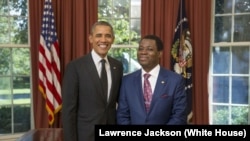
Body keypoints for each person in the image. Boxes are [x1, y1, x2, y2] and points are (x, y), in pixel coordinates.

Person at [62, 21, 123, 141]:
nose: (103, 40)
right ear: (91, 38)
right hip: (86, 135)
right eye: (99, 35)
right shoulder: (75, 67)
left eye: (108, 36)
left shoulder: (118, 66)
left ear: (113, 39)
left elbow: (118, 102)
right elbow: (69, 111)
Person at [116, 34, 187, 125]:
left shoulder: (175, 81)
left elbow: (179, 116)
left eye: (149, 49)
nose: (143, 52)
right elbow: (122, 116)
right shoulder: (127, 81)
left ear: (159, 53)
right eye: (141, 49)